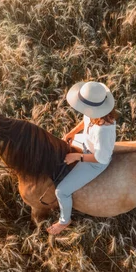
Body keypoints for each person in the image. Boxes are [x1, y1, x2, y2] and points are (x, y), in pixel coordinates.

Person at [47, 81, 117, 235]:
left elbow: (102, 159)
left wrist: (77, 157)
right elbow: (85, 120)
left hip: (94, 162)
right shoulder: (95, 112)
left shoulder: (103, 131)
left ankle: (64, 221)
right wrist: (72, 132)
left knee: (61, 191)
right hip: (85, 143)